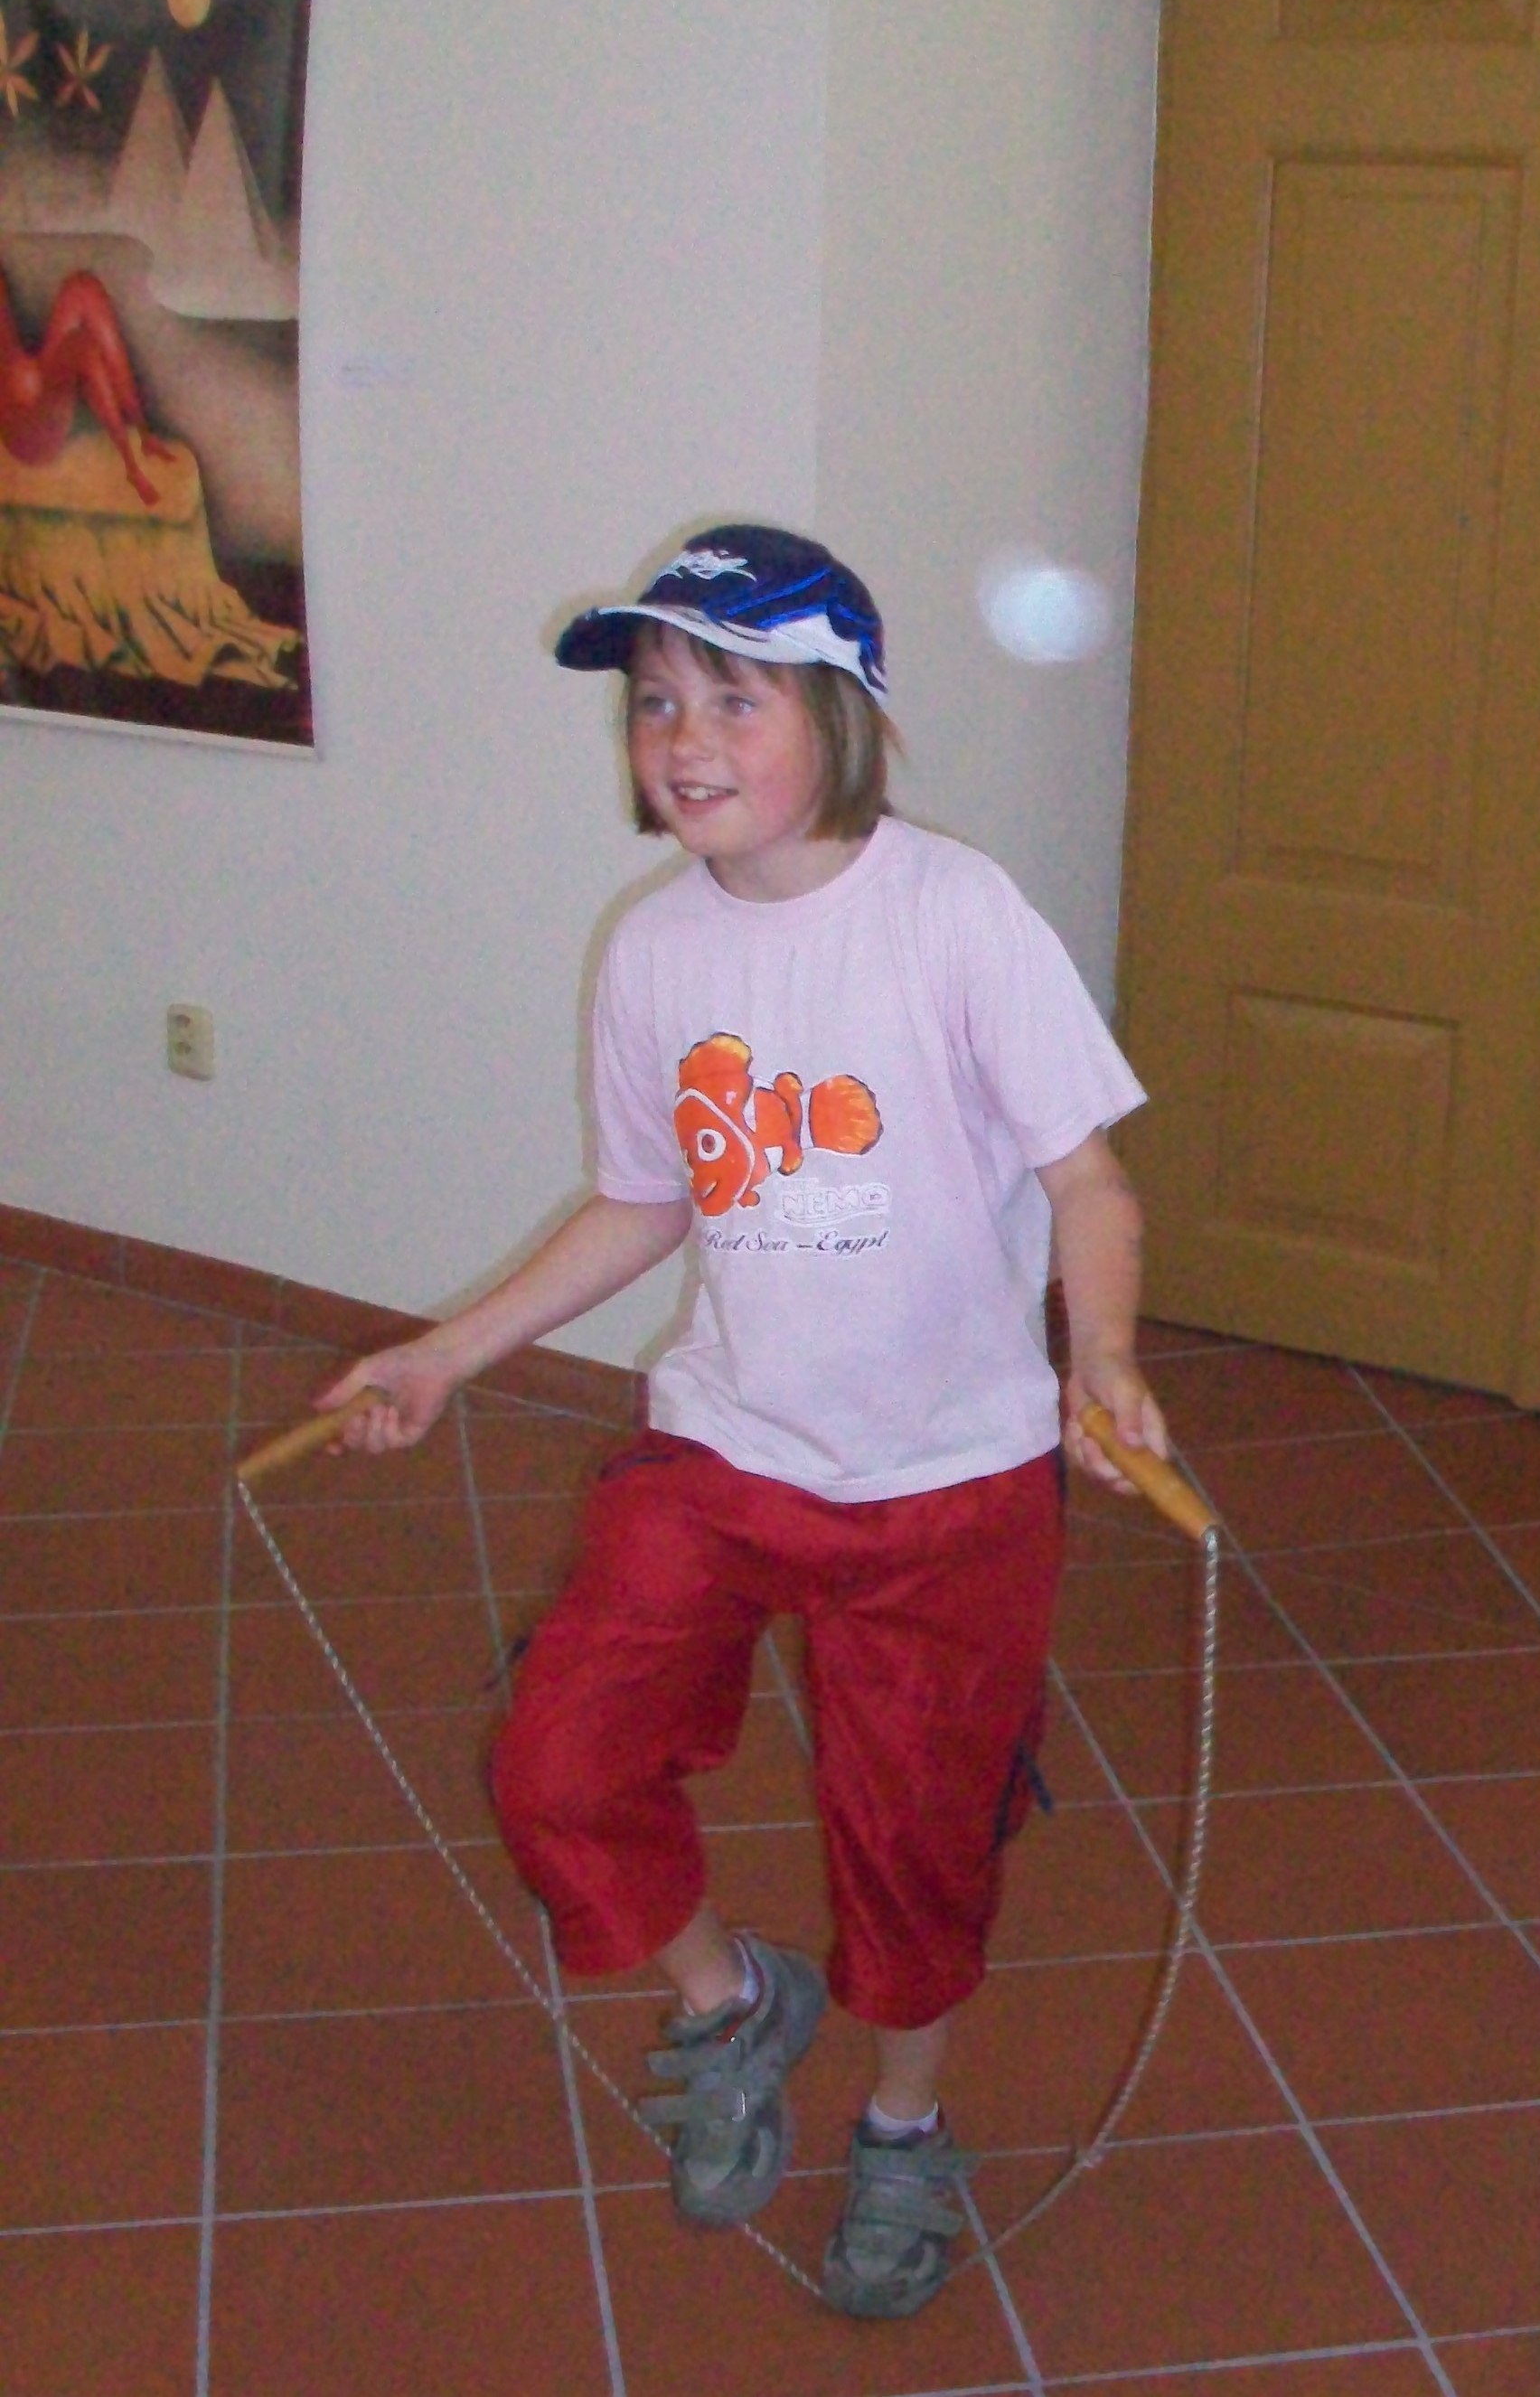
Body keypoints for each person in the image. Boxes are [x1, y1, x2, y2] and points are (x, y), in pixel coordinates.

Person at [320, 523, 1166, 2318]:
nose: (682, 738)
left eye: (732, 698)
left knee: (915, 1848)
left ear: (838, 715)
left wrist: (1097, 1354)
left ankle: (904, 2127)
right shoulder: (651, 950)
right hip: (726, 1451)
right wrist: (447, 1353)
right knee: (556, 1763)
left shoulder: (953, 914)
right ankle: (730, 2002)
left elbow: (1087, 1178)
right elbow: (646, 1201)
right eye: (653, 704)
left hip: (951, 1486)